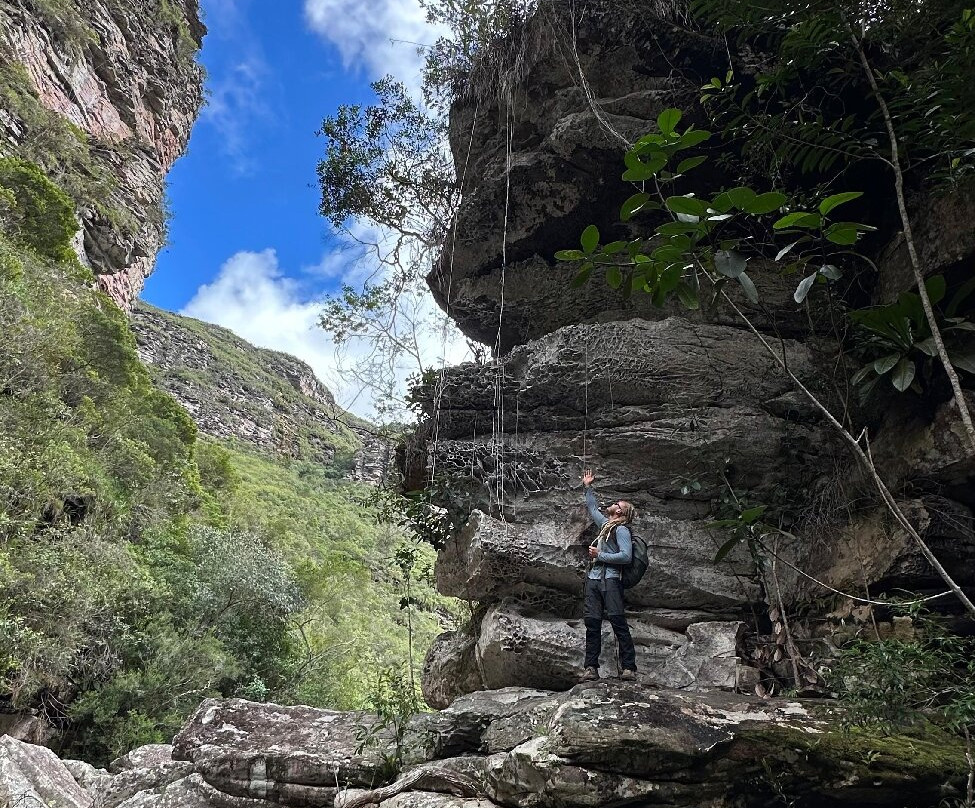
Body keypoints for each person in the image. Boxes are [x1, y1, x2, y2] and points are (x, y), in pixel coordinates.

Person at [580, 468, 637, 682]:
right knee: (592, 623)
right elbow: (593, 508)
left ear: (620, 512)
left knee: (618, 621)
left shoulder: (621, 530)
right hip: (594, 580)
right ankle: (590, 668)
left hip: (611, 580)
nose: (613, 504)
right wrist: (588, 487)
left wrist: (600, 554)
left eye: (617, 504)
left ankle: (629, 667)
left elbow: (626, 557)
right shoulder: (606, 525)